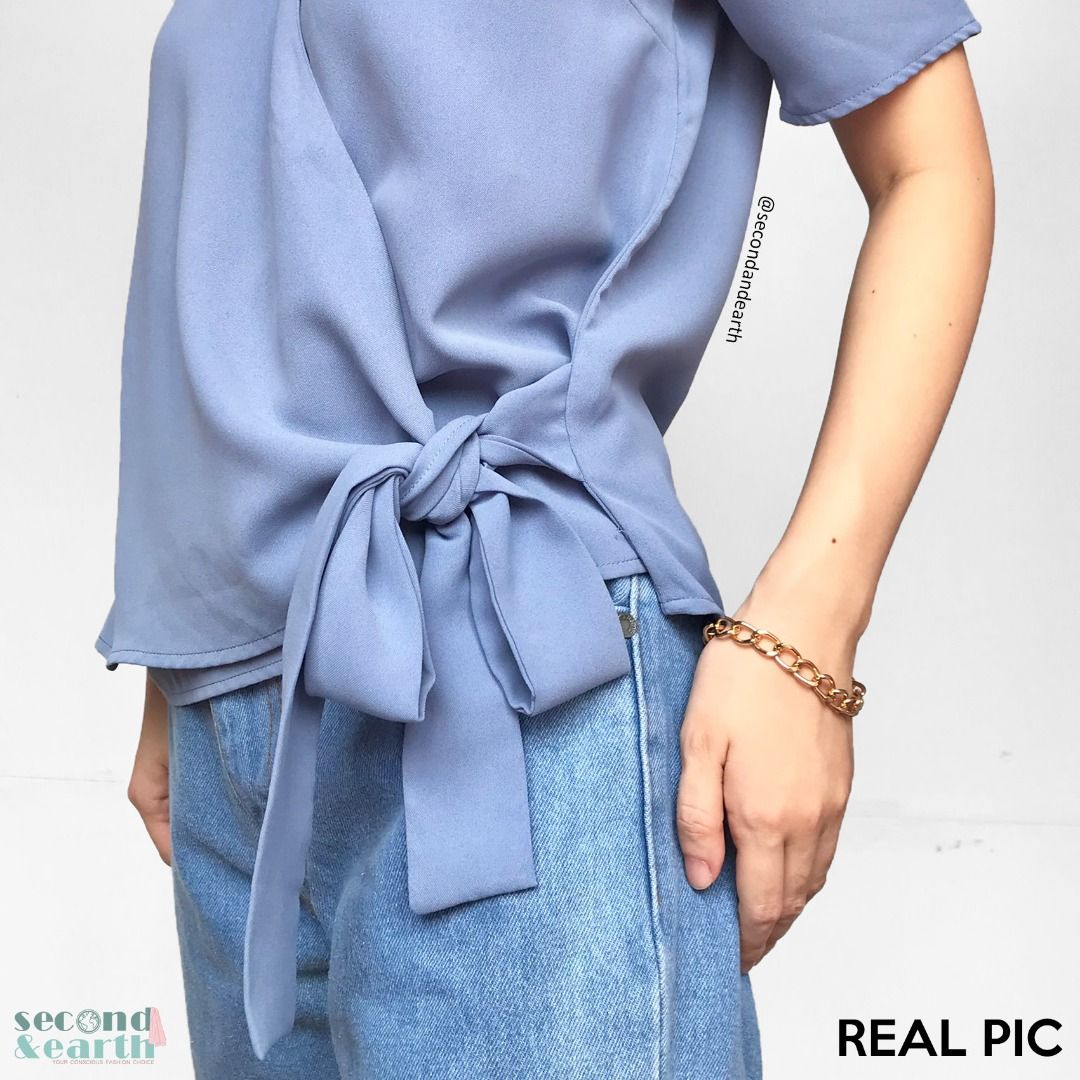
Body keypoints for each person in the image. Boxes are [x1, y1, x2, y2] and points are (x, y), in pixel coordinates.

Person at [104, 1, 993, 1077]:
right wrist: (189, 633)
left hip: (515, 684)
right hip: (243, 716)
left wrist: (808, 631)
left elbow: (928, 162)